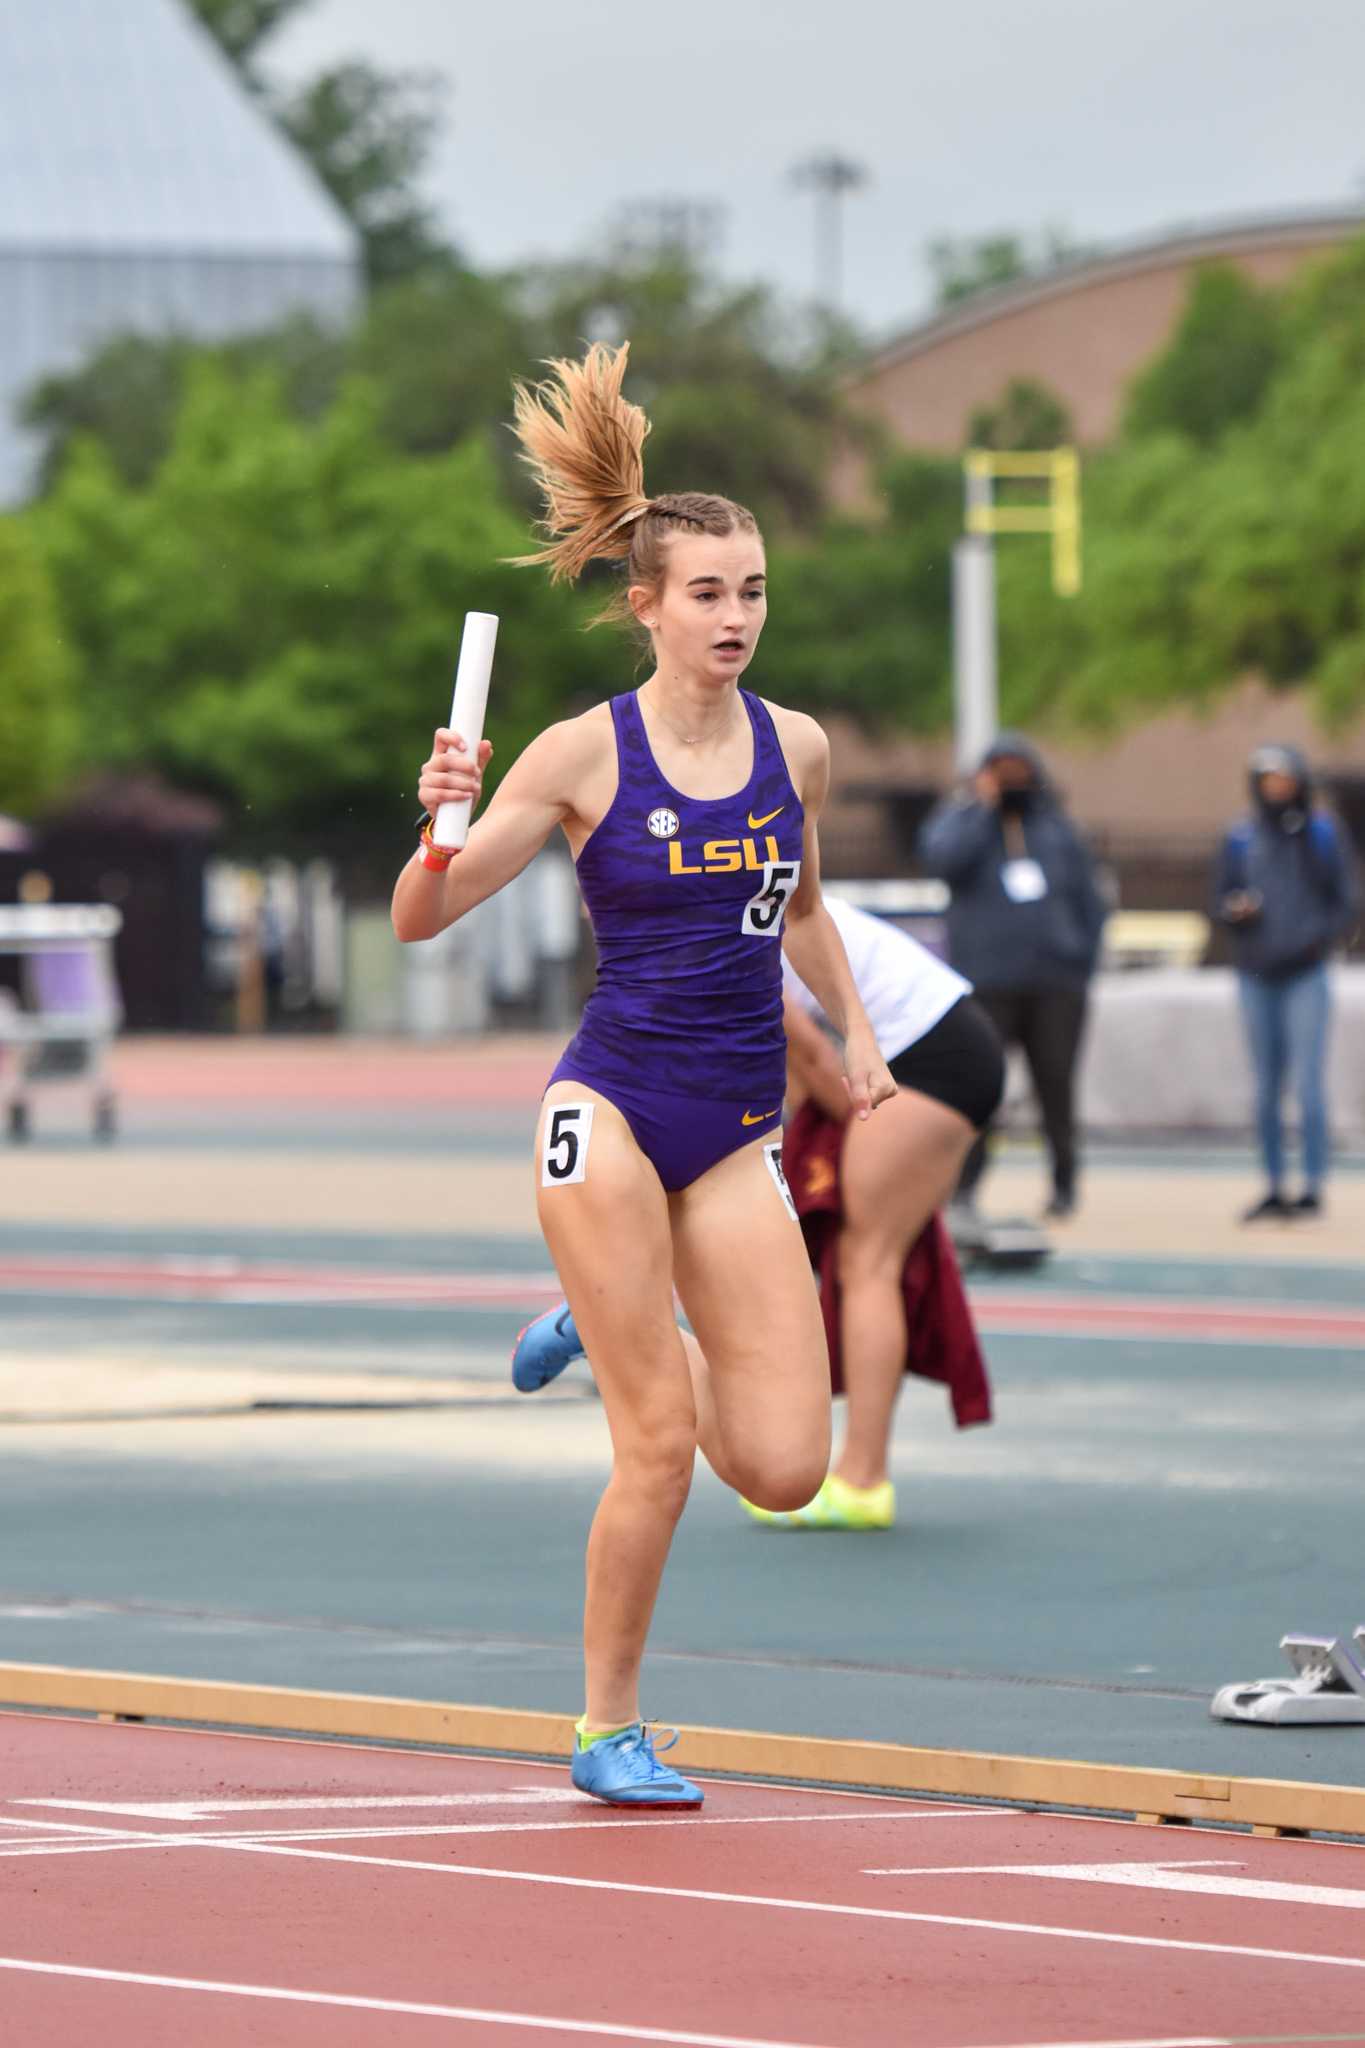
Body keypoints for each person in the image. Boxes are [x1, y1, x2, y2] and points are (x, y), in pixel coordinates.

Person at [392, 343, 894, 1809]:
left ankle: (611, 1316)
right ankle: (606, 1724)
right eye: (707, 593)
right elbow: (427, 917)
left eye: (750, 591)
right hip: (604, 1111)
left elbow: (800, 908)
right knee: (660, 1450)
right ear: (647, 607)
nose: (733, 616)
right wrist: (438, 821)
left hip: (731, 1131)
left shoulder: (792, 747)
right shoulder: (578, 755)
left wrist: (854, 1038)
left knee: (787, 1472)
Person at [515, 896, 1003, 1529]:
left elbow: (815, 1068)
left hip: (933, 1059)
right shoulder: (712, 894)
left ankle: (861, 1476)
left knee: (869, 1260)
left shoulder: (719, 926)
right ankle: (860, 1473)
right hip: (948, 1046)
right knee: (877, 1256)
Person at [917, 734, 1107, 1220]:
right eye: (1000, 772)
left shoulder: (1060, 830)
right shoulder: (964, 822)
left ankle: (1064, 1181)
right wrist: (982, 809)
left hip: (1056, 985)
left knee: (1056, 1086)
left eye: (1017, 771)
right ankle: (966, 1186)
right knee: (984, 1086)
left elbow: (1090, 901)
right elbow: (940, 860)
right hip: (988, 982)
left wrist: (1080, 959)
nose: (1011, 781)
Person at [1213, 743, 1358, 1222]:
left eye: (1284, 779)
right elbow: (1220, 898)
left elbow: (1344, 897)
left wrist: (1317, 939)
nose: (1276, 789)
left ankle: (1313, 1184)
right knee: (1265, 1086)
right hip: (1257, 972)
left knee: (1309, 1082)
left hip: (1305, 971)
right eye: (1268, 780)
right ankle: (1274, 1183)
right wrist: (1238, 914)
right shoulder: (1241, 836)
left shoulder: (1318, 833)